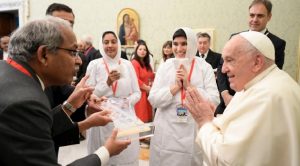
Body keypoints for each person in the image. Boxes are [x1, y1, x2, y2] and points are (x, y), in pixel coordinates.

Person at [0, 16, 131, 166]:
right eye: (73, 52)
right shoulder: (25, 101)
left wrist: (71, 106)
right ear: (44, 55)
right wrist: (106, 151)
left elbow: (39, 129)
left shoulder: (9, 72)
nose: (79, 61)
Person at [185, 31, 300, 166]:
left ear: (257, 62)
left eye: (230, 60)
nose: (223, 70)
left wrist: (204, 121)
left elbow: (225, 159)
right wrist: (213, 119)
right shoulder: (264, 83)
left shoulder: (265, 97)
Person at [148, 27, 219, 166]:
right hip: (166, 130)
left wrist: (189, 86)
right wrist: (174, 88)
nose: (179, 48)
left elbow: (214, 101)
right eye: (175, 44)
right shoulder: (165, 66)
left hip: (193, 130)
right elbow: (153, 99)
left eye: (184, 44)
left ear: (192, 44)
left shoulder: (204, 67)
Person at [215, 0, 286, 115]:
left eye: (260, 16)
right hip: (227, 102)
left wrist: (243, 100)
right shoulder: (235, 37)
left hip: (256, 105)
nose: (254, 20)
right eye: (252, 15)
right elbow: (221, 67)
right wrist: (225, 95)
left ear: (269, 17)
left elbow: (271, 77)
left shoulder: (277, 44)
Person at [86, 31, 141, 166]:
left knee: (126, 155)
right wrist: (107, 83)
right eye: (106, 42)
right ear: (101, 44)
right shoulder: (94, 65)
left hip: (125, 116)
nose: (110, 45)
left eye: (113, 41)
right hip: (102, 117)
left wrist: (127, 102)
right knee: (104, 156)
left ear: (118, 43)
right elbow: (88, 95)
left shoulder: (127, 65)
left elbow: (137, 93)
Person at [131, 41, 155, 123]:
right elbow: (135, 79)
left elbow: (151, 76)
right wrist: (146, 88)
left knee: (148, 120)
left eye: (144, 50)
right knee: (141, 119)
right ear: (136, 51)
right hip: (140, 95)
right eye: (140, 49)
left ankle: (147, 136)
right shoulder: (134, 63)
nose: (142, 51)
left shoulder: (147, 64)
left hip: (148, 94)